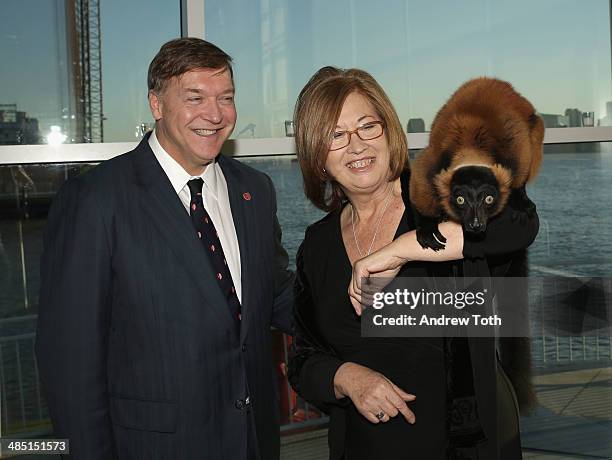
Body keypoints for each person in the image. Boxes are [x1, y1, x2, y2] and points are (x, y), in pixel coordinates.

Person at [36, 38, 293, 460]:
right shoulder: (95, 200)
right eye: (195, 98)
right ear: (157, 104)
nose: (215, 115)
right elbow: (70, 366)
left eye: (225, 98)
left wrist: (377, 298)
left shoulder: (254, 190)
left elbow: (278, 293)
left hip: (253, 441)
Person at [288, 67, 539, 459]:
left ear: (389, 132)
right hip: (360, 448)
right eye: (336, 135)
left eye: (367, 126)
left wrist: (402, 248)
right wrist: (345, 377)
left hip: (461, 446)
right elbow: (303, 358)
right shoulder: (317, 245)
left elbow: (517, 223)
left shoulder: (439, 199)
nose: (356, 146)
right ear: (317, 156)